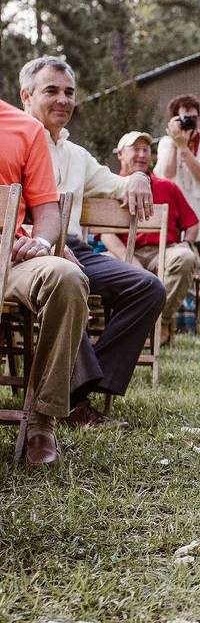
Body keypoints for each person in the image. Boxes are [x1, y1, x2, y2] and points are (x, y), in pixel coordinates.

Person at [19, 56, 165, 428]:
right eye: (51, 90)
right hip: (25, 249)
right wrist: (45, 242)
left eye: (69, 92)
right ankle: (77, 400)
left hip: (76, 246)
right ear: (26, 96)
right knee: (68, 278)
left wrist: (138, 176)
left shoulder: (76, 154)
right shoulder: (14, 141)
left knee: (147, 287)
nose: (63, 100)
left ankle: (83, 383)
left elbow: (115, 184)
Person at [0, 98, 90, 466]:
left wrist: (40, 240)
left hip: (11, 256)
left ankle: (42, 418)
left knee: (67, 276)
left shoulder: (25, 127)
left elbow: (47, 211)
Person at [102, 131, 200, 346]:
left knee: (185, 257)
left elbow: (192, 223)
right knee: (96, 266)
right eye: (135, 149)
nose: (142, 155)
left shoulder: (168, 187)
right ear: (120, 154)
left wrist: (187, 242)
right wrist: (131, 261)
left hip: (163, 251)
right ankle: (107, 331)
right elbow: (106, 234)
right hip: (124, 252)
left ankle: (159, 321)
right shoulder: (109, 186)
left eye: (146, 150)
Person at [156, 94, 200, 337]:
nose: (190, 123)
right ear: (174, 120)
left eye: (193, 118)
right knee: (184, 273)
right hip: (180, 220)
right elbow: (166, 175)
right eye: (184, 118)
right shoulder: (166, 143)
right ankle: (186, 329)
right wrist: (176, 145)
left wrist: (186, 148)